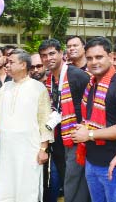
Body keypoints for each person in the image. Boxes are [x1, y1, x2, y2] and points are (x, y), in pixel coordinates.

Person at [0, 49, 53, 201]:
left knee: (28, 188)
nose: (7, 65)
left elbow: (45, 122)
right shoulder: (5, 88)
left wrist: (43, 149)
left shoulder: (38, 88)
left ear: (23, 65)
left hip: (30, 150)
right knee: (7, 185)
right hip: (7, 150)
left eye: (11, 62)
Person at [71, 37, 116, 202]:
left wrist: (90, 134)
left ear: (111, 57)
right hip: (92, 161)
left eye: (99, 57)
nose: (94, 62)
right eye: (90, 58)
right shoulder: (91, 84)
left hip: (114, 164)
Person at [38, 39, 90, 202]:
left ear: (62, 54)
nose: (48, 58)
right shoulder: (49, 80)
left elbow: (92, 106)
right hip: (59, 139)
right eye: (44, 56)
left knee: (73, 183)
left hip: (77, 139)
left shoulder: (77, 75)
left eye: (52, 53)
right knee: (67, 179)